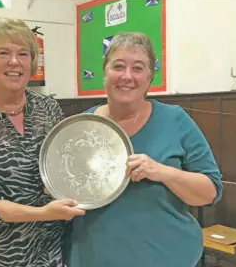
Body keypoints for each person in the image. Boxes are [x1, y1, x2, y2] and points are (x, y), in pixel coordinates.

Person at [65, 32, 222, 267]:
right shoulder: (82, 126)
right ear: (104, 72)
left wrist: (161, 172)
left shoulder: (175, 120)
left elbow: (210, 192)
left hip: (167, 258)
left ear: (150, 77)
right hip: (92, 258)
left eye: (138, 68)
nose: (127, 76)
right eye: (118, 66)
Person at [0, 18, 85, 267]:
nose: (14, 61)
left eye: (23, 53)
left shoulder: (48, 109)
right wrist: (44, 214)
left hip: (49, 250)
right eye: (3, 53)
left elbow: (64, 169)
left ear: (31, 63)